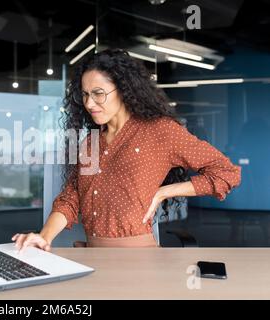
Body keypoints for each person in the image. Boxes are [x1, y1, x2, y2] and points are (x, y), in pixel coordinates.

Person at [12, 48, 241, 250]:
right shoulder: (90, 141)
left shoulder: (160, 131)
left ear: (123, 90)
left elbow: (226, 173)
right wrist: (43, 237)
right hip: (92, 255)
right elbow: (71, 197)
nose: (90, 103)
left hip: (137, 258)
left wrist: (164, 192)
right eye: (85, 95)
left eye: (98, 93)